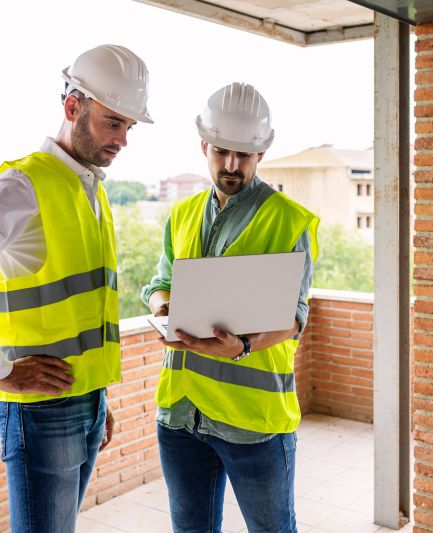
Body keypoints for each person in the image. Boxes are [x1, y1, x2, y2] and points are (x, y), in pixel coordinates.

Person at [0, 44, 153, 533]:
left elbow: (82, 313)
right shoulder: (23, 185)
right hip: (41, 411)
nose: (123, 139)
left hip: (83, 400)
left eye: (129, 126)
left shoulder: (89, 188)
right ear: (73, 107)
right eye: (113, 122)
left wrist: (98, 397)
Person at [141, 82, 319, 533]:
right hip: (181, 416)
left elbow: (295, 317)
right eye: (221, 152)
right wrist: (164, 308)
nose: (231, 165)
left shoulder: (287, 220)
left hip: (253, 422)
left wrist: (242, 347)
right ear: (204, 145)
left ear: (262, 153)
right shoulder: (181, 214)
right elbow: (159, 285)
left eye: (244, 154)